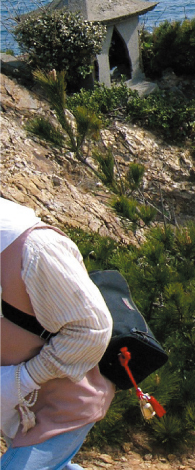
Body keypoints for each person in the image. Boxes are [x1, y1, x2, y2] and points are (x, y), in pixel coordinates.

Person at [1, 198, 115, 469]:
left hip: (62, 406)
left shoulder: (37, 248)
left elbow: (92, 330)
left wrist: (25, 378)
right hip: (21, 408)